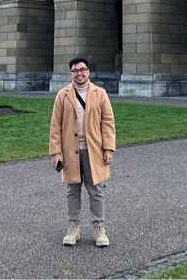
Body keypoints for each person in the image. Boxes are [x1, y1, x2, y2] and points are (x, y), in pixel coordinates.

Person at [49, 57, 115, 247]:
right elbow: (55, 127)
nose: (79, 73)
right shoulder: (63, 95)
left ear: (88, 72)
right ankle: (74, 226)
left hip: (94, 150)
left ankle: (99, 228)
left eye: (82, 70)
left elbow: (108, 123)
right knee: (73, 190)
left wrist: (109, 148)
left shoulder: (100, 93)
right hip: (71, 151)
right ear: (71, 74)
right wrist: (56, 152)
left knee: (96, 190)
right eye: (75, 70)